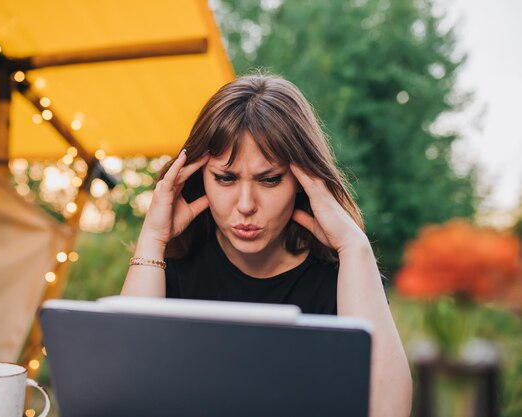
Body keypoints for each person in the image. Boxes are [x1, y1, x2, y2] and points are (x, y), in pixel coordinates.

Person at [121, 74, 412, 417]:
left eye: (269, 179)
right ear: (198, 176)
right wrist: (152, 241)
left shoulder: (342, 276)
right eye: (225, 178)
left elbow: (387, 411)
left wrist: (353, 245)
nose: (246, 204)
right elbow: (122, 393)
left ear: (304, 182)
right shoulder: (174, 267)